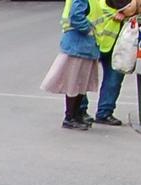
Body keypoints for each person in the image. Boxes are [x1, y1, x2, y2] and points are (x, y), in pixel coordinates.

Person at [44, 0, 105, 129]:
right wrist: (87, 29)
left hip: (84, 46)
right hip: (78, 46)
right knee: (75, 83)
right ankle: (70, 117)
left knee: (80, 83)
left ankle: (76, 116)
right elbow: (76, 16)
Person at [92, 0, 141, 125]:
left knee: (114, 78)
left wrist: (132, 9)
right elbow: (128, 9)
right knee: (83, 78)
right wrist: (134, 7)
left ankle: (104, 112)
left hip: (118, 40)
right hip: (94, 37)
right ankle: (77, 111)